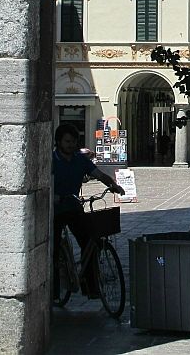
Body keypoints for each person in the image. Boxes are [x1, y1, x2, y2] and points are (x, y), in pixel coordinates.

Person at [52, 123, 125, 299]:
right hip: (55, 210)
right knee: (52, 250)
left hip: (74, 207)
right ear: (59, 142)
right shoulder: (51, 160)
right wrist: (54, 196)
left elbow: (98, 174)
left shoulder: (80, 160)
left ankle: (91, 286)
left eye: (73, 141)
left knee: (89, 241)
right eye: (67, 141)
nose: (70, 145)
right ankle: (53, 291)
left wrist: (112, 185)